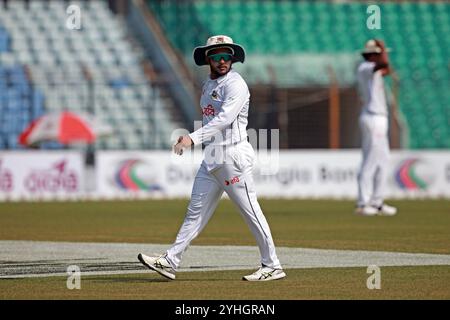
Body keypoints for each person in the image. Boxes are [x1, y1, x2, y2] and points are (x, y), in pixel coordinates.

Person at [138, 35, 285, 281]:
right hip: (213, 157)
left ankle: (272, 265)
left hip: (233, 155)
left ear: (232, 58)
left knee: (251, 211)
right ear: (208, 59)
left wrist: (192, 138)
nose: (222, 60)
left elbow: (224, 119)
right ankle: (170, 261)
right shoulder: (208, 85)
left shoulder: (235, 84)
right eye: (216, 56)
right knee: (194, 212)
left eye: (227, 55)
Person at [355, 39, 398, 216]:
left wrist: (382, 50)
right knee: (370, 160)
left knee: (383, 160)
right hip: (372, 117)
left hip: (380, 117)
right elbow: (384, 63)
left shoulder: (374, 69)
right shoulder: (365, 67)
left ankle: (377, 201)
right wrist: (383, 49)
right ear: (373, 54)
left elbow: (387, 69)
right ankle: (363, 203)